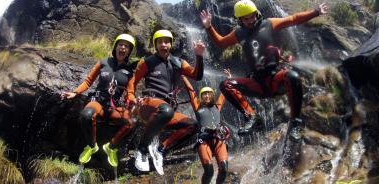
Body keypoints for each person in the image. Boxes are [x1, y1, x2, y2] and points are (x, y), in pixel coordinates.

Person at [200, 0, 328, 139]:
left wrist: (316, 12)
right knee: (225, 84)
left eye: (252, 16)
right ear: (240, 20)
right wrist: (208, 26)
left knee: (293, 76)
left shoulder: (269, 23)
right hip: (257, 83)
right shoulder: (238, 33)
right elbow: (221, 43)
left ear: (256, 14)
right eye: (246, 19)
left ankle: (295, 123)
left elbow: (293, 19)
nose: (250, 21)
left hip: (275, 78)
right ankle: (252, 118)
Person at [126, 29, 205, 175]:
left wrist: (199, 56)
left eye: (167, 41)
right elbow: (132, 81)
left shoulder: (178, 62)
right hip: (148, 105)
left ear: (171, 44)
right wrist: (131, 99)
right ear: (155, 45)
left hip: (166, 112)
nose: (164, 45)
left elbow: (197, 75)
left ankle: (161, 150)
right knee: (166, 110)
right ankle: (142, 149)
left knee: (193, 125)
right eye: (160, 42)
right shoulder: (147, 62)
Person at [60, 34, 138, 167]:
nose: (123, 48)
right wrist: (75, 92)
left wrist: (133, 101)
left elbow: (130, 92)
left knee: (132, 121)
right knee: (86, 115)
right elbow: (88, 81)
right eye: (121, 45)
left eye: (127, 46)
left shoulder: (130, 71)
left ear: (129, 51)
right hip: (99, 102)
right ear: (116, 46)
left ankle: (111, 147)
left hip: (114, 107)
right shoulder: (103, 62)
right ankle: (92, 146)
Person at [181, 69, 232, 184]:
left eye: (209, 94)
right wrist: (184, 77)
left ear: (212, 96)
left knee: (224, 169)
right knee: (209, 171)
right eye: (204, 94)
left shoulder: (217, 106)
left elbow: (224, 93)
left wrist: (229, 79)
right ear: (201, 96)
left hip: (218, 139)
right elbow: (191, 91)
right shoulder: (198, 106)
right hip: (204, 140)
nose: (207, 96)